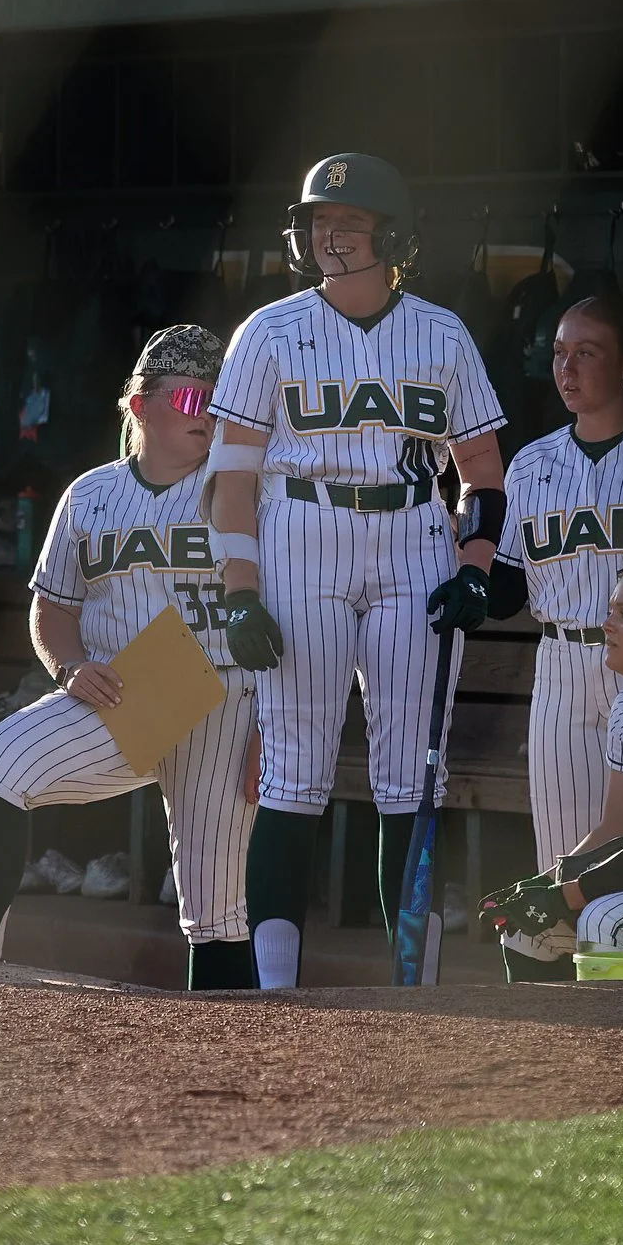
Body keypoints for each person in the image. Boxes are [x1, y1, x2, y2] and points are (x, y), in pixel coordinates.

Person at [205, 153, 507, 990]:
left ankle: (413, 991)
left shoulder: (441, 332)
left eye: (348, 223)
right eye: (316, 222)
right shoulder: (266, 331)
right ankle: (274, 988)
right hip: (301, 527)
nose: (327, 235)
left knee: (410, 770)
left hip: (412, 529)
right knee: (295, 770)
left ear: (393, 236)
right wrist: (240, 595)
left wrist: (475, 564)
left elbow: (481, 468)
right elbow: (232, 478)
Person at [0, 326, 256, 990]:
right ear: (140, 406)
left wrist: (272, 727)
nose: (211, 415)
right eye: (193, 400)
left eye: (219, 401)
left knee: (215, 906)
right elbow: (52, 609)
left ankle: (232, 1060)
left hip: (228, 694)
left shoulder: (246, 489)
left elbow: (284, 612)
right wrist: (69, 667)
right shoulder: (89, 494)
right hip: (126, 692)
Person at [495, 297, 623, 867]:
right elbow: (504, 592)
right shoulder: (530, 464)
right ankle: (577, 958)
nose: (567, 369)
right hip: (561, 664)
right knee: (562, 857)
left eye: (586, 353)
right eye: (558, 353)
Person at [482, 561, 623, 978]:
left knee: (601, 918)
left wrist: (568, 892)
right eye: (609, 612)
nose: (606, 625)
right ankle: (543, 1044)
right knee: (524, 929)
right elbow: (616, 828)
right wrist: (542, 884)